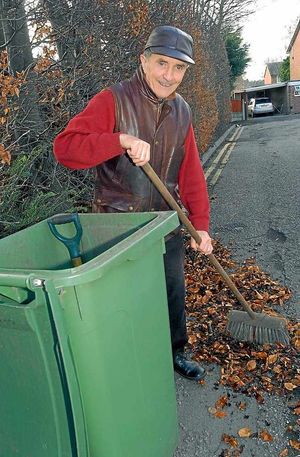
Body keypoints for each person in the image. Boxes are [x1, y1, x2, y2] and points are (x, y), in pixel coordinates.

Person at [54, 25, 213, 381]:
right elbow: (65, 148)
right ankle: (124, 360)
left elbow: (191, 174)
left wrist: (200, 224)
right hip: (117, 227)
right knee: (122, 300)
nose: (169, 76)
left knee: (172, 293)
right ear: (144, 61)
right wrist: (119, 139)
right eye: (161, 64)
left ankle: (176, 351)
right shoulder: (113, 99)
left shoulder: (182, 110)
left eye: (179, 68)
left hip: (164, 224)